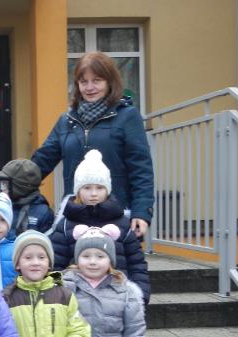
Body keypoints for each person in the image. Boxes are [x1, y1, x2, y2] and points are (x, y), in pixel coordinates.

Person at [31, 51, 154, 238]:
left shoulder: (128, 116)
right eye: (83, 81)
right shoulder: (66, 121)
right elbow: (40, 162)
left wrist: (142, 212)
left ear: (110, 82)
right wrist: (5, 188)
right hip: (75, 218)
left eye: (96, 80)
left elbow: (141, 169)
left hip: (116, 219)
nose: (89, 87)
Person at [49, 149, 150, 302]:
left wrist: (140, 295)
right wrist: (57, 296)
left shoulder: (122, 224)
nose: (94, 193)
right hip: (76, 301)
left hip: (117, 301)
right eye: (87, 188)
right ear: (78, 191)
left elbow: (137, 264)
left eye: (100, 188)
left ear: (107, 190)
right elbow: (55, 265)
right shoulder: (65, 226)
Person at [0, 159, 54, 236]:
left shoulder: (43, 212)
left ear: (20, 187)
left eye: (5, 184)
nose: (2, 188)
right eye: (2, 183)